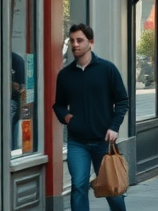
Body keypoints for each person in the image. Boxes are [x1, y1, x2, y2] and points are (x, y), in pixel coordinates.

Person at [53, 24, 130, 211]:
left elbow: (122, 101)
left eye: (79, 40)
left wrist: (114, 127)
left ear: (91, 43)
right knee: (78, 186)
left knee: (112, 190)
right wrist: (66, 117)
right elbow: (59, 104)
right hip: (77, 142)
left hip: (103, 141)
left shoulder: (107, 69)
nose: (75, 45)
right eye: (72, 41)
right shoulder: (65, 75)